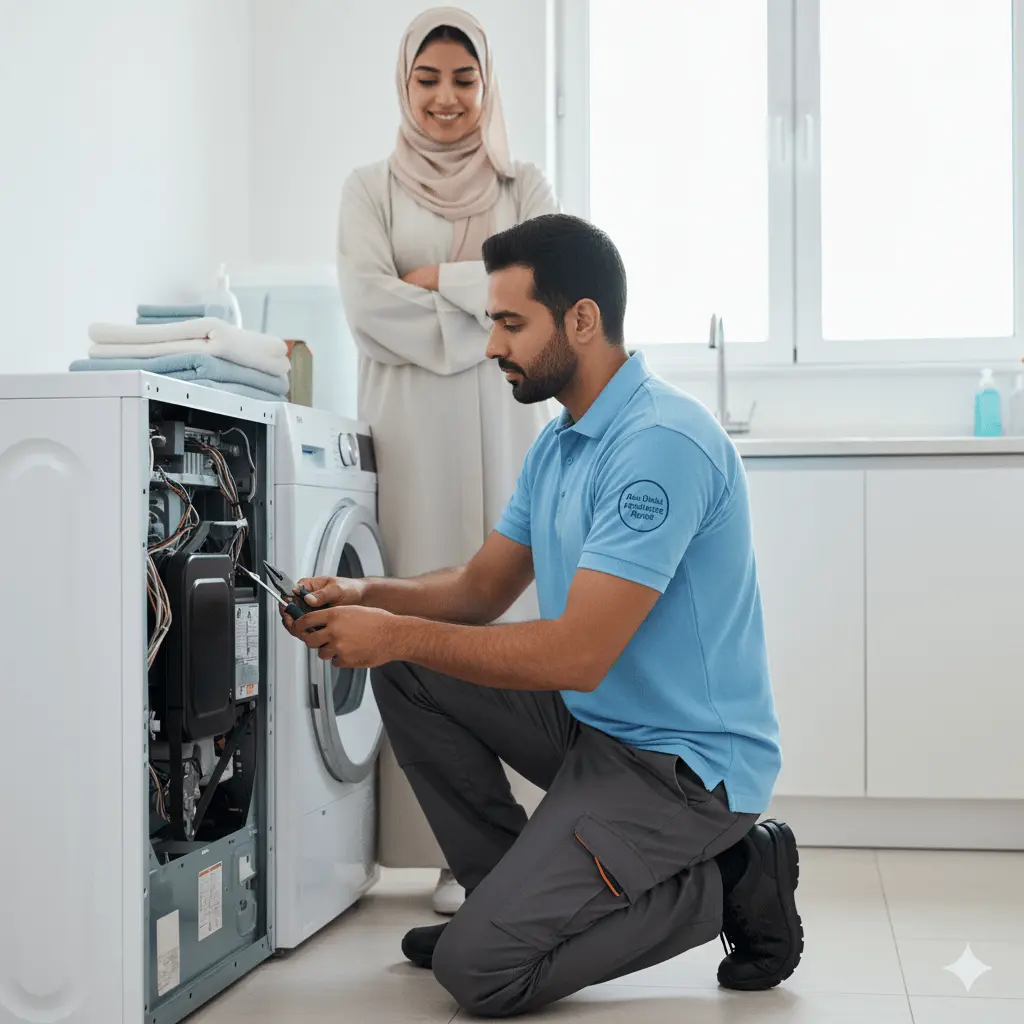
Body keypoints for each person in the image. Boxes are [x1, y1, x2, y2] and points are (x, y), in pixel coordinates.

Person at [290, 214, 803, 1017]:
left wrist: (390, 632)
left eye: (510, 323)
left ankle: (734, 877)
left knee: (479, 974)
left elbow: (576, 656)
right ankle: (506, 900)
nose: (492, 344)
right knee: (409, 668)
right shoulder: (561, 443)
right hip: (598, 731)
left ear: (582, 320)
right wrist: (367, 597)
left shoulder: (659, 444)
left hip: (685, 772)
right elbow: (478, 589)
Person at [336, 7, 558, 914]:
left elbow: (541, 297)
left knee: (508, 619)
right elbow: (366, 307)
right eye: (427, 78)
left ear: (486, 85)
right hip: (411, 433)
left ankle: (528, 842)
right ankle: (443, 849)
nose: (445, 97)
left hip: (507, 423)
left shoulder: (524, 183)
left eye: (464, 79)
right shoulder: (369, 188)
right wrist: (484, 311)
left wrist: (435, 282)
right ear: (404, 83)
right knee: (417, 619)